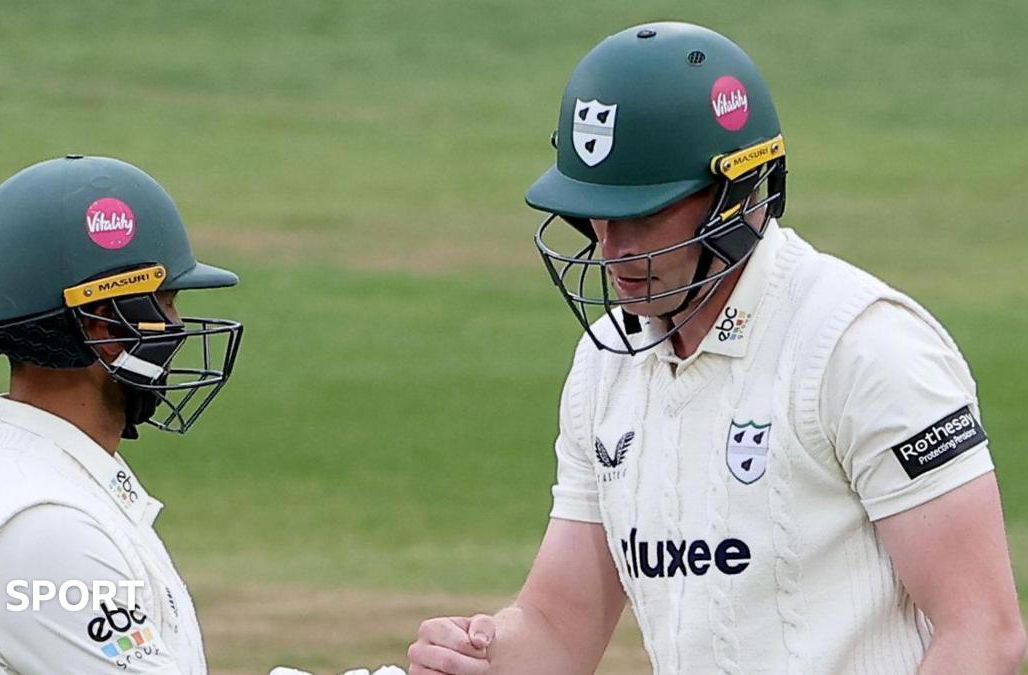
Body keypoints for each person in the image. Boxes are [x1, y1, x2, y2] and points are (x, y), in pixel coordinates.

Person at [409, 21, 1024, 674]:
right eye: (594, 212)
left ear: (738, 195)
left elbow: (984, 633)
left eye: (644, 215)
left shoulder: (863, 349)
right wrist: (480, 655)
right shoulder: (606, 364)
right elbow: (560, 626)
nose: (612, 250)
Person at [0, 155, 244, 674]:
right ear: (103, 325)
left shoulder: (50, 488)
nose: (180, 327)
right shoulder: (44, 531)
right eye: (166, 303)